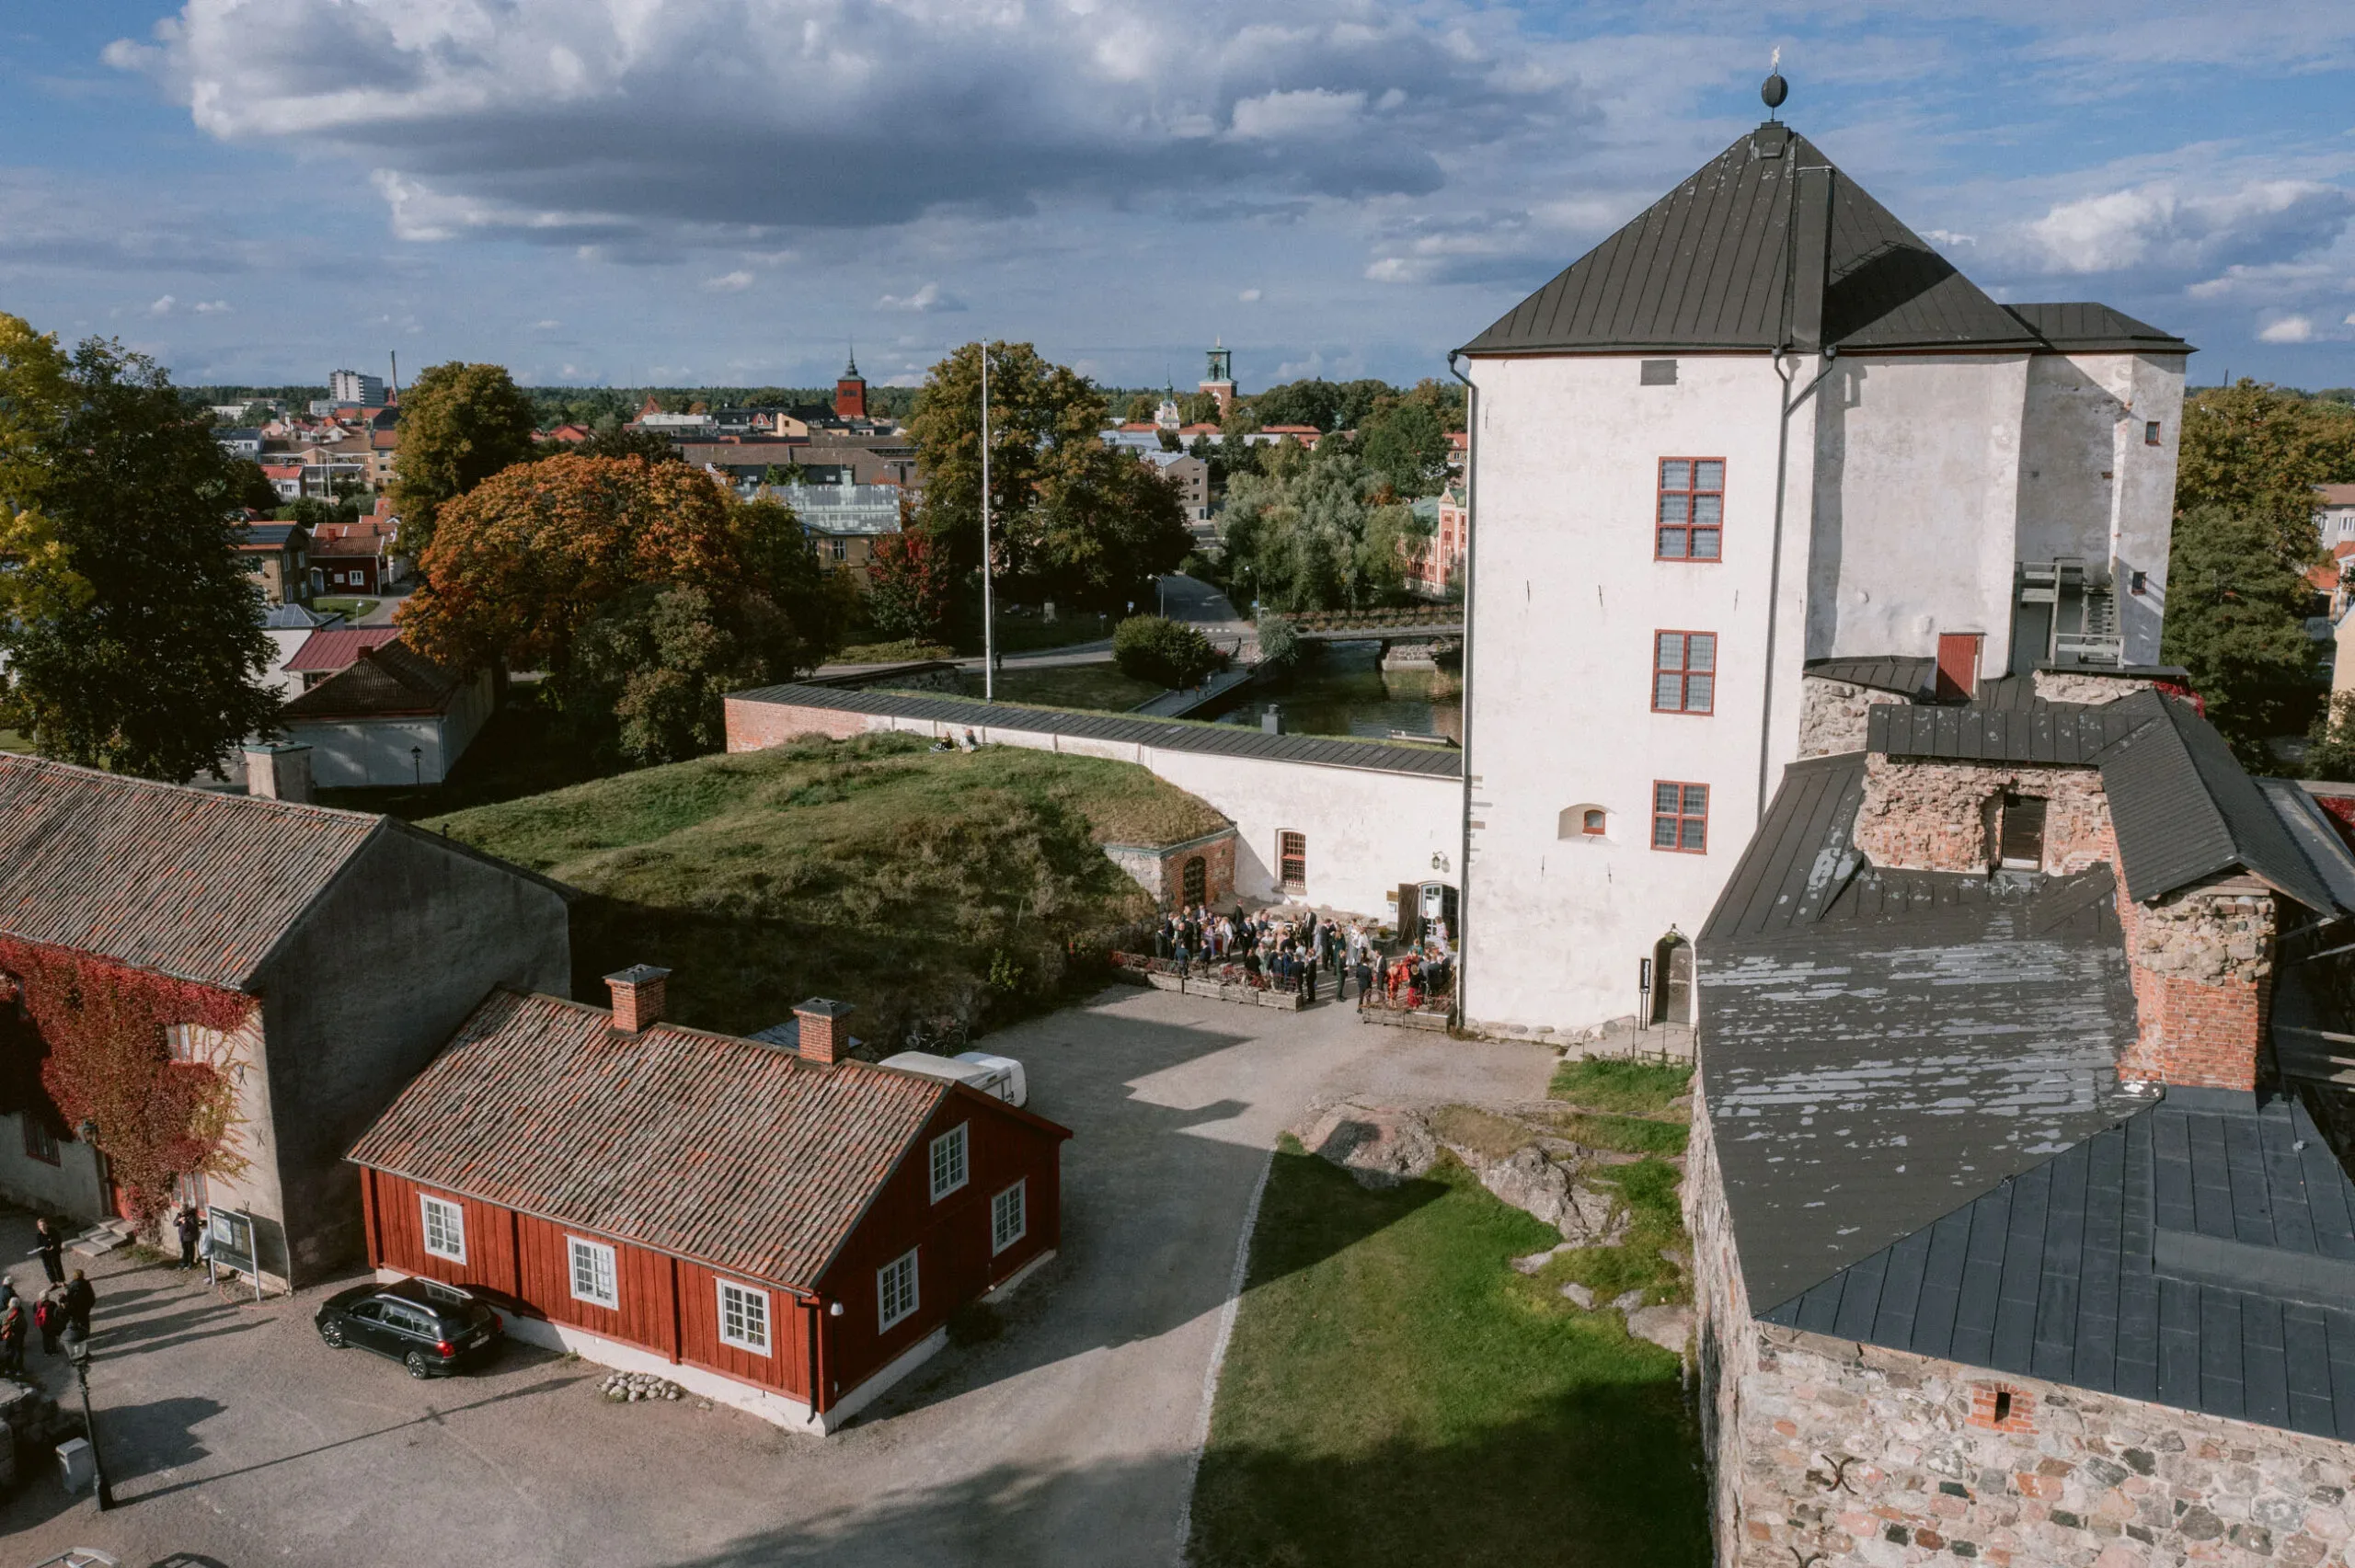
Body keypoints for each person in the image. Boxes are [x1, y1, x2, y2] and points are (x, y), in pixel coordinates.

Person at [29, 1218, 63, 1286]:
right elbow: (38, 1245)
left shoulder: (53, 1231)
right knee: (48, 1268)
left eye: (44, 1225)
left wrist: (54, 1245)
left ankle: (62, 1281)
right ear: (39, 1227)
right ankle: (53, 1283)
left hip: (54, 1252)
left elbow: (59, 1239)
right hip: (45, 1254)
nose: (42, 1227)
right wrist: (44, 1248)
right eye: (41, 1226)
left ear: (46, 1225)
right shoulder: (39, 1235)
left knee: (58, 1266)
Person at [34, 1283, 65, 1356]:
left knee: (45, 1337)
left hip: (42, 1324)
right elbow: (56, 1313)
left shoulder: (36, 1304)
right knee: (52, 1337)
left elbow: (35, 1313)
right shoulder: (52, 1304)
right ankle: (54, 1351)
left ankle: (47, 1352)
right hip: (51, 1323)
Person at [62, 1270, 93, 1340]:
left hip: (75, 1307)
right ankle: (86, 1332)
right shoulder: (86, 1283)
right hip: (85, 1307)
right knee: (85, 1320)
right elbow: (91, 1295)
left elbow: (69, 1297)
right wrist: (90, 1304)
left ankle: (78, 1334)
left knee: (76, 1320)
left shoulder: (72, 1285)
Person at [0, 1294, 23, 1377]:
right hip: (17, 1336)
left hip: (6, 1336)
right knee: (18, 1352)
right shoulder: (20, 1315)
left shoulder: (3, 1314)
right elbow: (24, 1326)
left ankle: (8, 1369)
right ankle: (19, 1370)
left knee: (8, 1352)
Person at [176, 1202, 204, 1270]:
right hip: (182, 1236)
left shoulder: (191, 1216)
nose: (181, 1212)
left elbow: (194, 1226)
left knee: (190, 1250)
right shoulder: (179, 1215)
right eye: (180, 1210)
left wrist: (186, 1223)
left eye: (182, 1210)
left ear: (185, 1210)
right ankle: (185, 1262)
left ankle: (191, 1263)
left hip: (190, 1236)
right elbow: (175, 1223)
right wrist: (179, 1221)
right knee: (185, 1250)